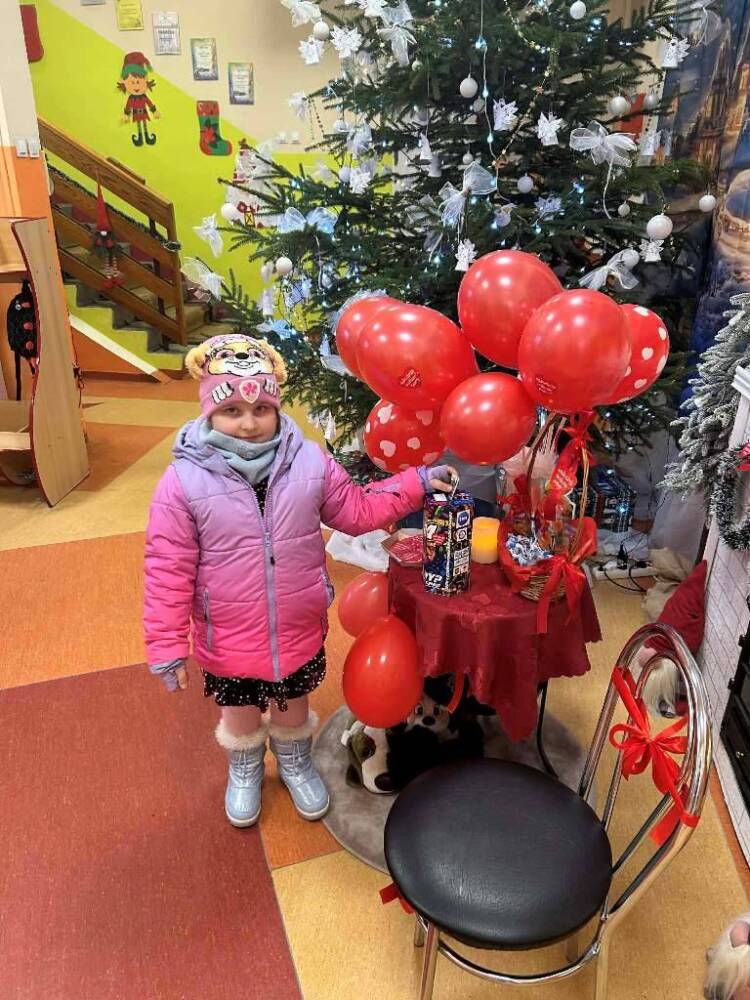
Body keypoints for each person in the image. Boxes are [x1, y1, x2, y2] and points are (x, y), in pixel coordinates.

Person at [143, 333, 454, 829]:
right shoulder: (182, 482)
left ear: (276, 407)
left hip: (295, 623)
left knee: (292, 706)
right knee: (240, 712)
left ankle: (293, 759)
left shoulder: (310, 462)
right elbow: (167, 568)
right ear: (209, 411)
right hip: (228, 632)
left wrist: (414, 483)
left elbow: (357, 510)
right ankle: (245, 765)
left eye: (261, 409)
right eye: (232, 411)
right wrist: (166, 644)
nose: (249, 423)